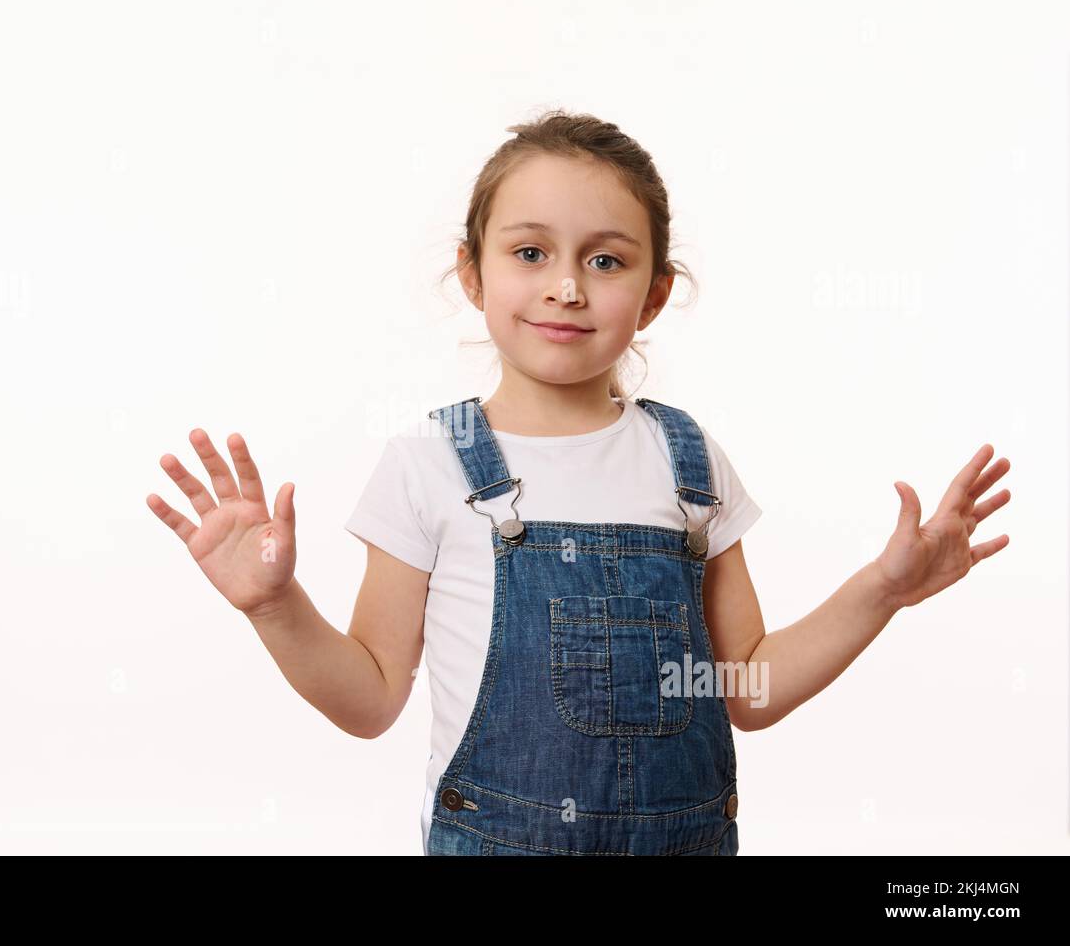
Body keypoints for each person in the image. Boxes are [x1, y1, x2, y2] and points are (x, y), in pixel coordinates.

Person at [146, 109, 1012, 856]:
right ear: (474, 273)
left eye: (606, 261)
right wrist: (273, 604)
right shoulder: (429, 462)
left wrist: (883, 589)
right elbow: (371, 697)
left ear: (656, 292)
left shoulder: (690, 463)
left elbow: (743, 685)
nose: (565, 286)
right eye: (531, 252)